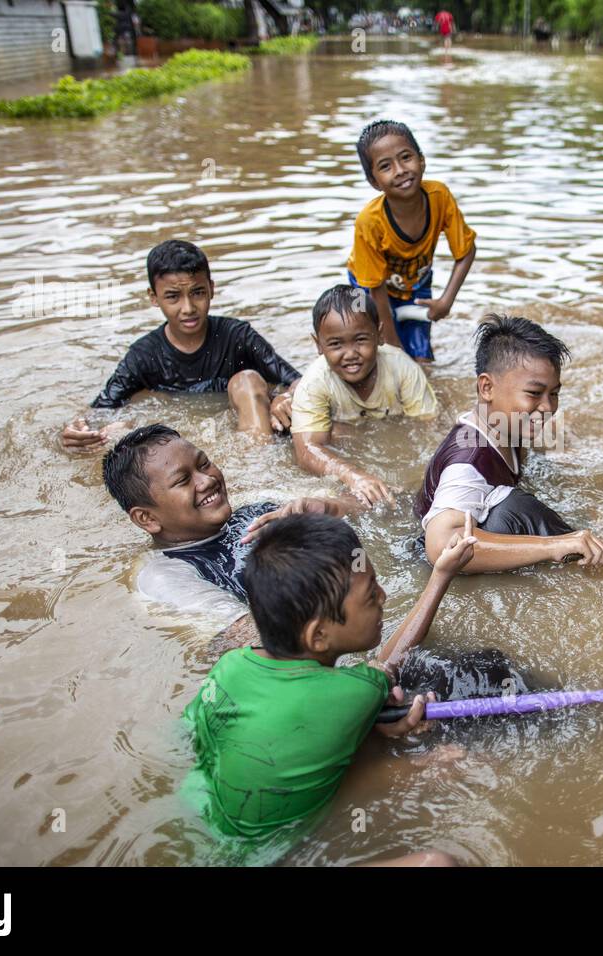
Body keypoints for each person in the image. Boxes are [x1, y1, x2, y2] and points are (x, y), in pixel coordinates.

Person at [183, 511, 477, 851]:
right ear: (319, 635)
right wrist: (440, 577)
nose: (383, 596)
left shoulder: (230, 665)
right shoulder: (353, 691)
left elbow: (194, 732)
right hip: (273, 854)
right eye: (370, 595)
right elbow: (389, 664)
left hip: (201, 819)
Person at [416, 315, 603, 572]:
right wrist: (553, 546)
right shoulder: (468, 462)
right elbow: (440, 546)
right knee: (515, 507)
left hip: (477, 522)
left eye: (554, 393)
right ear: (487, 388)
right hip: (436, 566)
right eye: (534, 393)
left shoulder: (506, 426)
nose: (548, 407)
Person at [101, 423, 357, 628]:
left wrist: (326, 508)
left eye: (204, 464)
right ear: (148, 518)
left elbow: (373, 503)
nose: (207, 480)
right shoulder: (164, 576)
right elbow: (247, 639)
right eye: (182, 480)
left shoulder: (256, 509)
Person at [62, 240, 300, 452]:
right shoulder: (144, 355)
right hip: (180, 443)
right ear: (154, 297)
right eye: (173, 296)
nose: (188, 308)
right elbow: (100, 409)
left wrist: (284, 397)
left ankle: (258, 465)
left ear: (211, 289)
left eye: (197, 292)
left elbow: (297, 381)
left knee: (247, 379)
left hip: (246, 429)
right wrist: (77, 428)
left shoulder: (238, 337)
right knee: (118, 428)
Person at [281, 284, 440, 508]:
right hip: (346, 439)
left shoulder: (403, 368)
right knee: (333, 434)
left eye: (361, 340)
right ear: (318, 344)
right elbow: (306, 450)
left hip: (387, 433)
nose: (350, 354)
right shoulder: (314, 382)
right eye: (336, 344)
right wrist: (353, 476)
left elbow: (426, 429)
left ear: (380, 335)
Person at [347, 120, 476, 363]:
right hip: (364, 285)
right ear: (374, 182)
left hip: (416, 284)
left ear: (422, 160)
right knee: (364, 343)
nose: (400, 170)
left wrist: (446, 301)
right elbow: (375, 288)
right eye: (385, 166)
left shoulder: (440, 197)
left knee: (422, 360)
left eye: (406, 157)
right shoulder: (369, 222)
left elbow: (466, 252)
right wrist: (393, 345)